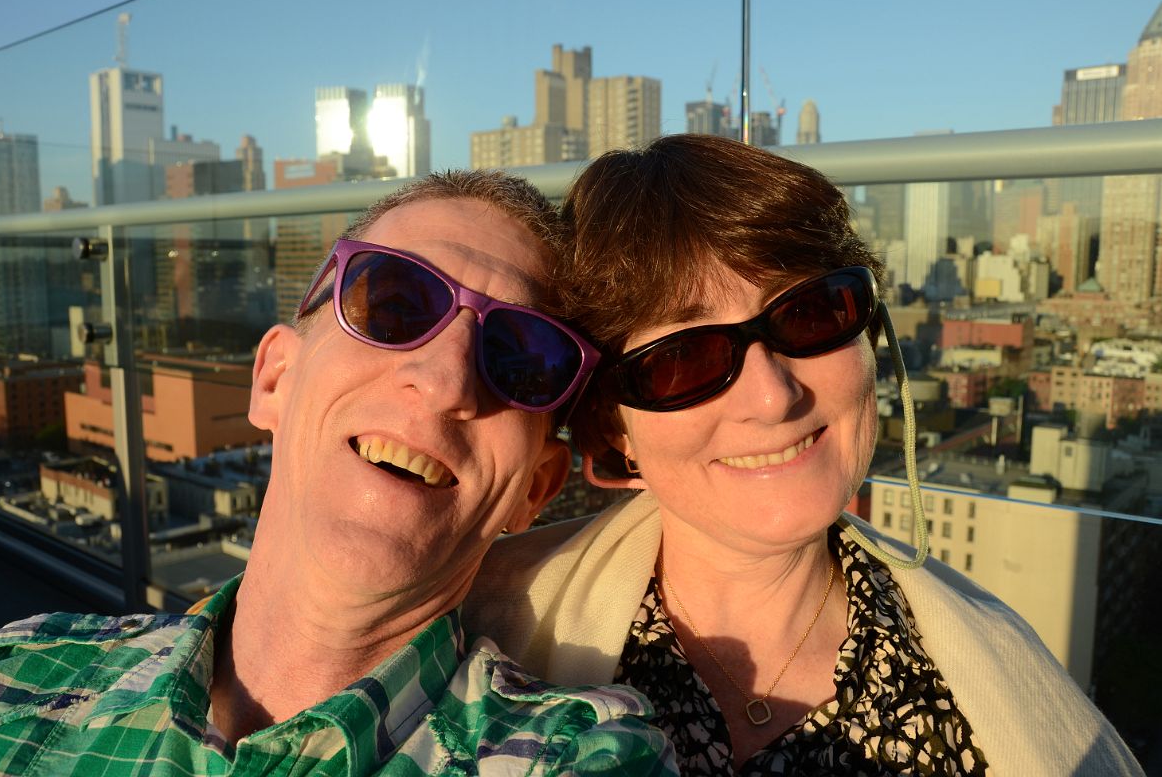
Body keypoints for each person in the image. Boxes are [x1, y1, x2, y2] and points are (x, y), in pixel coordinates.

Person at [464, 136, 1143, 776]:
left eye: (811, 314)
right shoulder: (476, 642)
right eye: (682, 360)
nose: (772, 395)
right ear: (614, 427)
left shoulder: (1008, 689)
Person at [0, 171, 678, 776]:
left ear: (537, 488)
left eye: (522, 359)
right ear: (275, 376)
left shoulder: (579, 755)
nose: (446, 380)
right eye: (397, 305)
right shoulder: (15, 674)